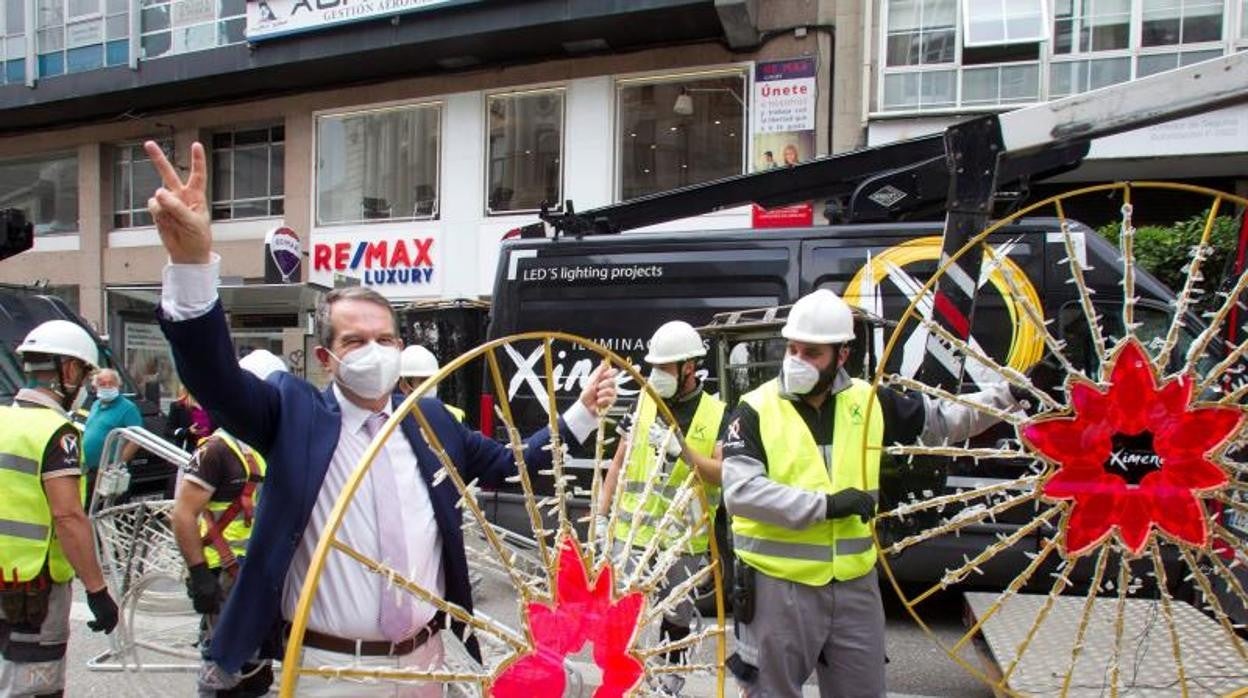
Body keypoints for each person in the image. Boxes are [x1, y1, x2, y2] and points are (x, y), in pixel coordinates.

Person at [142, 139, 618, 696]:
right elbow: (214, 378)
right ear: (326, 357)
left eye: (385, 338)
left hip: (425, 663)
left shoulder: (431, 422)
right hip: (329, 669)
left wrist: (581, 414)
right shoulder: (292, 414)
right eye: (356, 340)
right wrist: (193, 264)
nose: (374, 350)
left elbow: (511, 465)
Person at [721, 289, 1023, 698]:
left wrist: (1006, 397)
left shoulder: (868, 401)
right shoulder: (755, 408)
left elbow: (944, 419)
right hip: (778, 587)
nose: (797, 361)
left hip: (853, 586)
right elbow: (741, 492)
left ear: (841, 355)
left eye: (812, 353)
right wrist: (825, 506)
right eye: (792, 349)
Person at [597, 320, 727, 697]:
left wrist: (681, 451)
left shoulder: (716, 413)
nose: (655, 375)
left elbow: (721, 474)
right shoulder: (641, 405)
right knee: (622, 616)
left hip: (682, 542)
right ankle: (625, 680)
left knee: (676, 617)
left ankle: (670, 684)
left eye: (663, 368)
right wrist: (602, 519)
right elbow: (617, 465)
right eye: (652, 367)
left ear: (689, 367)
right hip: (630, 535)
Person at [0, 320, 119, 695]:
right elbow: (67, 516)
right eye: (84, 375)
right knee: (37, 687)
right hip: (34, 589)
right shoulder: (58, 432)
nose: (85, 387)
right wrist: (98, 591)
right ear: (67, 369)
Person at [171, 350, 286, 698]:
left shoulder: (271, 446)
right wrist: (198, 573)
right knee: (222, 670)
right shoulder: (217, 450)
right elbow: (183, 513)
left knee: (257, 669)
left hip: (261, 576)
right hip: (227, 577)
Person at [83, 368, 143, 503]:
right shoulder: (96, 404)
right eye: (102, 384)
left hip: (108, 473)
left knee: (104, 509)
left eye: (111, 383)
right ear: (95, 386)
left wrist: (118, 463)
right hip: (90, 470)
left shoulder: (128, 408)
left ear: (118, 385)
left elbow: (137, 439)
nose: (107, 387)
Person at [399, 344, 465, 422]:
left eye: (433, 380)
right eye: (423, 381)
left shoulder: (454, 415)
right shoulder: (392, 420)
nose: (431, 386)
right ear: (404, 386)